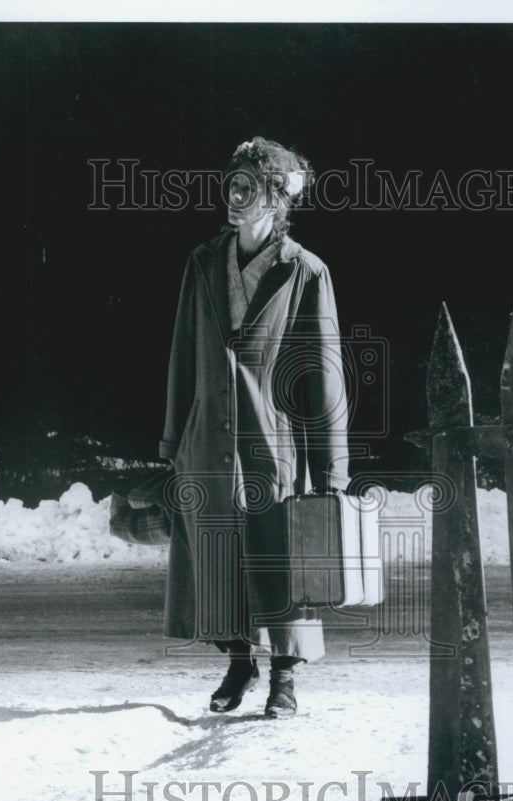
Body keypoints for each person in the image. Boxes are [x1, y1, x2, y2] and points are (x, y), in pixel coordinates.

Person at [159, 137, 350, 718]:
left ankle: (284, 677)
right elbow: (182, 357)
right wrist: (175, 438)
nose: (236, 197)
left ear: (277, 199)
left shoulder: (305, 272)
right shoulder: (202, 262)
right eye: (233, 184)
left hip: (275, 440)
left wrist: (332, 470)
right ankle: (240, 661)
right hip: (209, 440)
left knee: (280, 557)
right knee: (218, 554)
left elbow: (324, 376)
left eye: (251, 187)